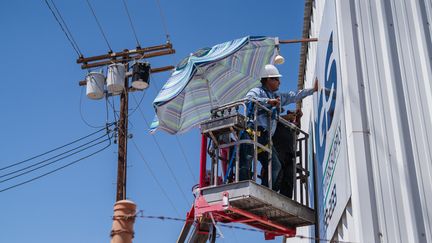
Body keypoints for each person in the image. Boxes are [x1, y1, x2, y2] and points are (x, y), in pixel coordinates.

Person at [239, 64, 318, 192]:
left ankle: (263, 193)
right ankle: (243, 189)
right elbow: (248, 101)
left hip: (265, 137)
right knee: (245, 164)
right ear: (268, 79)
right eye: (276, 79)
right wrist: (267, 102)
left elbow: (293, 95)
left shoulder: (277, 96)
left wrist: (312, 90)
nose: (279, 82)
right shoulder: (257, 91)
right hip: (252, 132)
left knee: (275, 167)